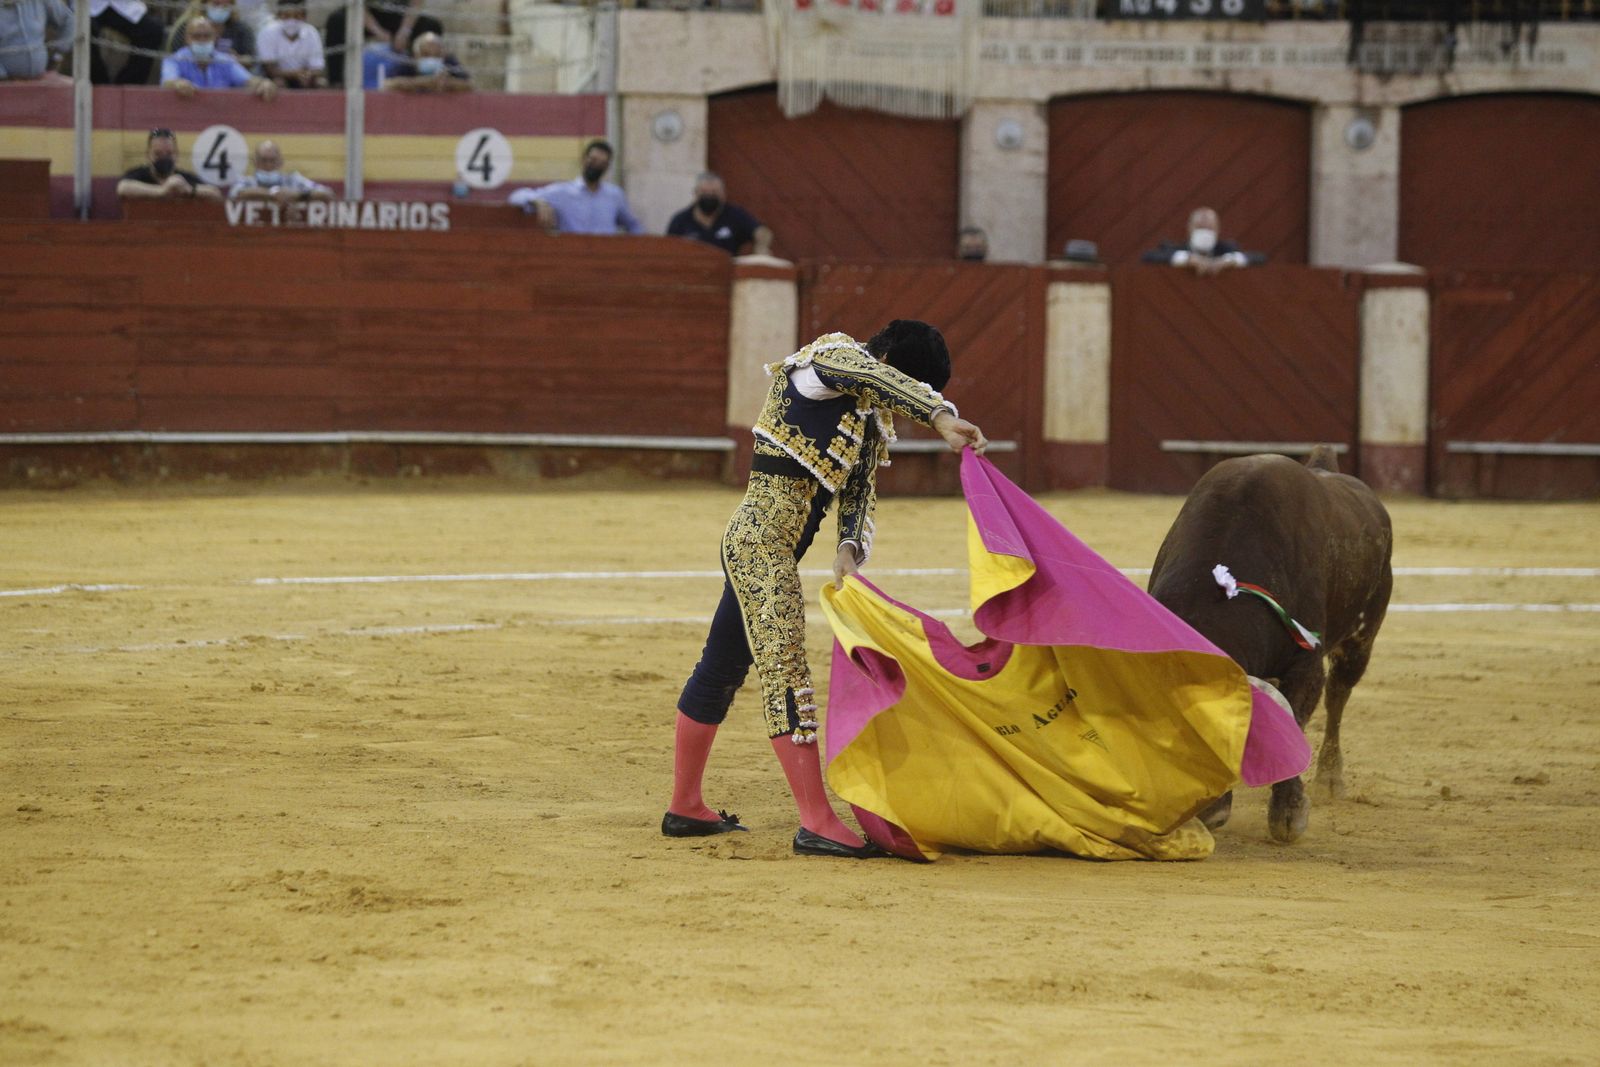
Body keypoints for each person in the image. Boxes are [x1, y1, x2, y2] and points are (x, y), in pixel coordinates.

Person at [664, 321, 989, 859]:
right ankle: (815, 820)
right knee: (786, 669)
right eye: (894, 380)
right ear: (883, 359)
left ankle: (685, 806)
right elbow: (866, 373)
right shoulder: (830, 361)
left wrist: (848, 553)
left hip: (778, 551)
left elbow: (859, 492)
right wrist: (940, 415)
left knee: (722, 666)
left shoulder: (866, 417)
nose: (887, 394)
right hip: (757, 545)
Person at [506, 140, 643, 235]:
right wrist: (539, 202)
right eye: (593, 160)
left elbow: (634, 226)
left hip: (606, 261)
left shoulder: (614, 195)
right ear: (584, 160)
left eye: (602, 163)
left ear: (607, 167)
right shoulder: (563, 192)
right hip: (573, 257)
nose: (596, 166)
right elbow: (516, 196)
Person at [323, 0, 443, 86]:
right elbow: (356, 4)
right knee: (336, 21)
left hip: (399, 13)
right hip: (368, 14)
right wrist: (378, 31)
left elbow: (416, 3)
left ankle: (423, 79)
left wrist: (405, 31)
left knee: (431, 26)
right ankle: (336, 81)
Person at [162, 15, 277, 98]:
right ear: (187, 39)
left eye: (206, 36)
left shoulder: (225, 60)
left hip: (220, 115)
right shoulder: (174, 60)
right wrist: (177, 84)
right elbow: (167, 82)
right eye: (197, 36)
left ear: (214, 38)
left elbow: (248, 80)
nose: (202, 40)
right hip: (185, 115)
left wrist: (263, 83)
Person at [665, 172, 772, 256]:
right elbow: (668, 251)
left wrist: (761, 246)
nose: (709, 196)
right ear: (696, 193)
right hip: (690, 277)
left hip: (726, 276)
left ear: (723, 194)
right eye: (704, 192)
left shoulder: (734, 215)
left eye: (714, 192)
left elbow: (762, 232)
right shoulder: (680, 221)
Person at [1141, 207, 1265, 275]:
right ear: (1190, 229)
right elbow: (1148, 257)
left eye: (1209, 228)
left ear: (1218, 230)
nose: (1205, 232)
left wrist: (1229, 260)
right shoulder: (1173, 248)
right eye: (1200, 227)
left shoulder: (1228, 249)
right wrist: (1188, 259)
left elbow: (1260, 258)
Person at [116, 127, 223, 202]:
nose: (164, 158)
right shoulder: (139, 174)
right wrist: (162, 191)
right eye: (158, 154)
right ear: (148, 155)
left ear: (176, 155)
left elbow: (215, 194)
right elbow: (123, 188)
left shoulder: (183, 178)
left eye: (169, 153)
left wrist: (188, 190)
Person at [87, 0, 165, 85]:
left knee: (153, 31)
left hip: (123, 7)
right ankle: (99, 83)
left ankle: (128, 85)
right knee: (85, 31)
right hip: (87, 8)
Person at [229, 140, 333, 202]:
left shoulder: (293, 180)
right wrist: (272, 194)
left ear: (280, 162)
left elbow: (326, 193)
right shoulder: (246, 181)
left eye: (272, 160)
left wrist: (296, 195)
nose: (268, 165)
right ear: (255, 162)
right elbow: (235, 194)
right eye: (263, 160)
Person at [164, 0, 257, 67]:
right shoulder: (185, 27)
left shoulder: (242, 29)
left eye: (225, 5)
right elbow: (173, 60)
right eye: (216, 4)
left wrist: (236, 59)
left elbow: (252, 60)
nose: (220, 8)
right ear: (204, 3)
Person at [255, 0, 325, 88]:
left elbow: (317, 67)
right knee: (279, 83)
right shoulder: (267, 32)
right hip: (276, 77)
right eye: (287, 16)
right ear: (279, 16)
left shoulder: (312, 33)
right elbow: (270, 69)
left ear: (304, 17)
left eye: (296, 16)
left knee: (321, 82)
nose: (291, 20)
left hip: (303, 77)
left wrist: (308, 74)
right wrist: (295, 74)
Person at [0, 0, 72, 81]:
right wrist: (3, 77)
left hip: (41, 79)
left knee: (80, 88)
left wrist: (58, 55)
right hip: (4, 84)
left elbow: (69, 20)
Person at [381, 31, 470, 93]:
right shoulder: (407, 62)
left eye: (437, 55)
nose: (432, 58)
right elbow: (387, 85)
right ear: (416, 55)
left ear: (443, 55)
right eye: (426, 54)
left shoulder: (449, 61)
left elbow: (469, 85)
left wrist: (448, 83)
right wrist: (420, 83)